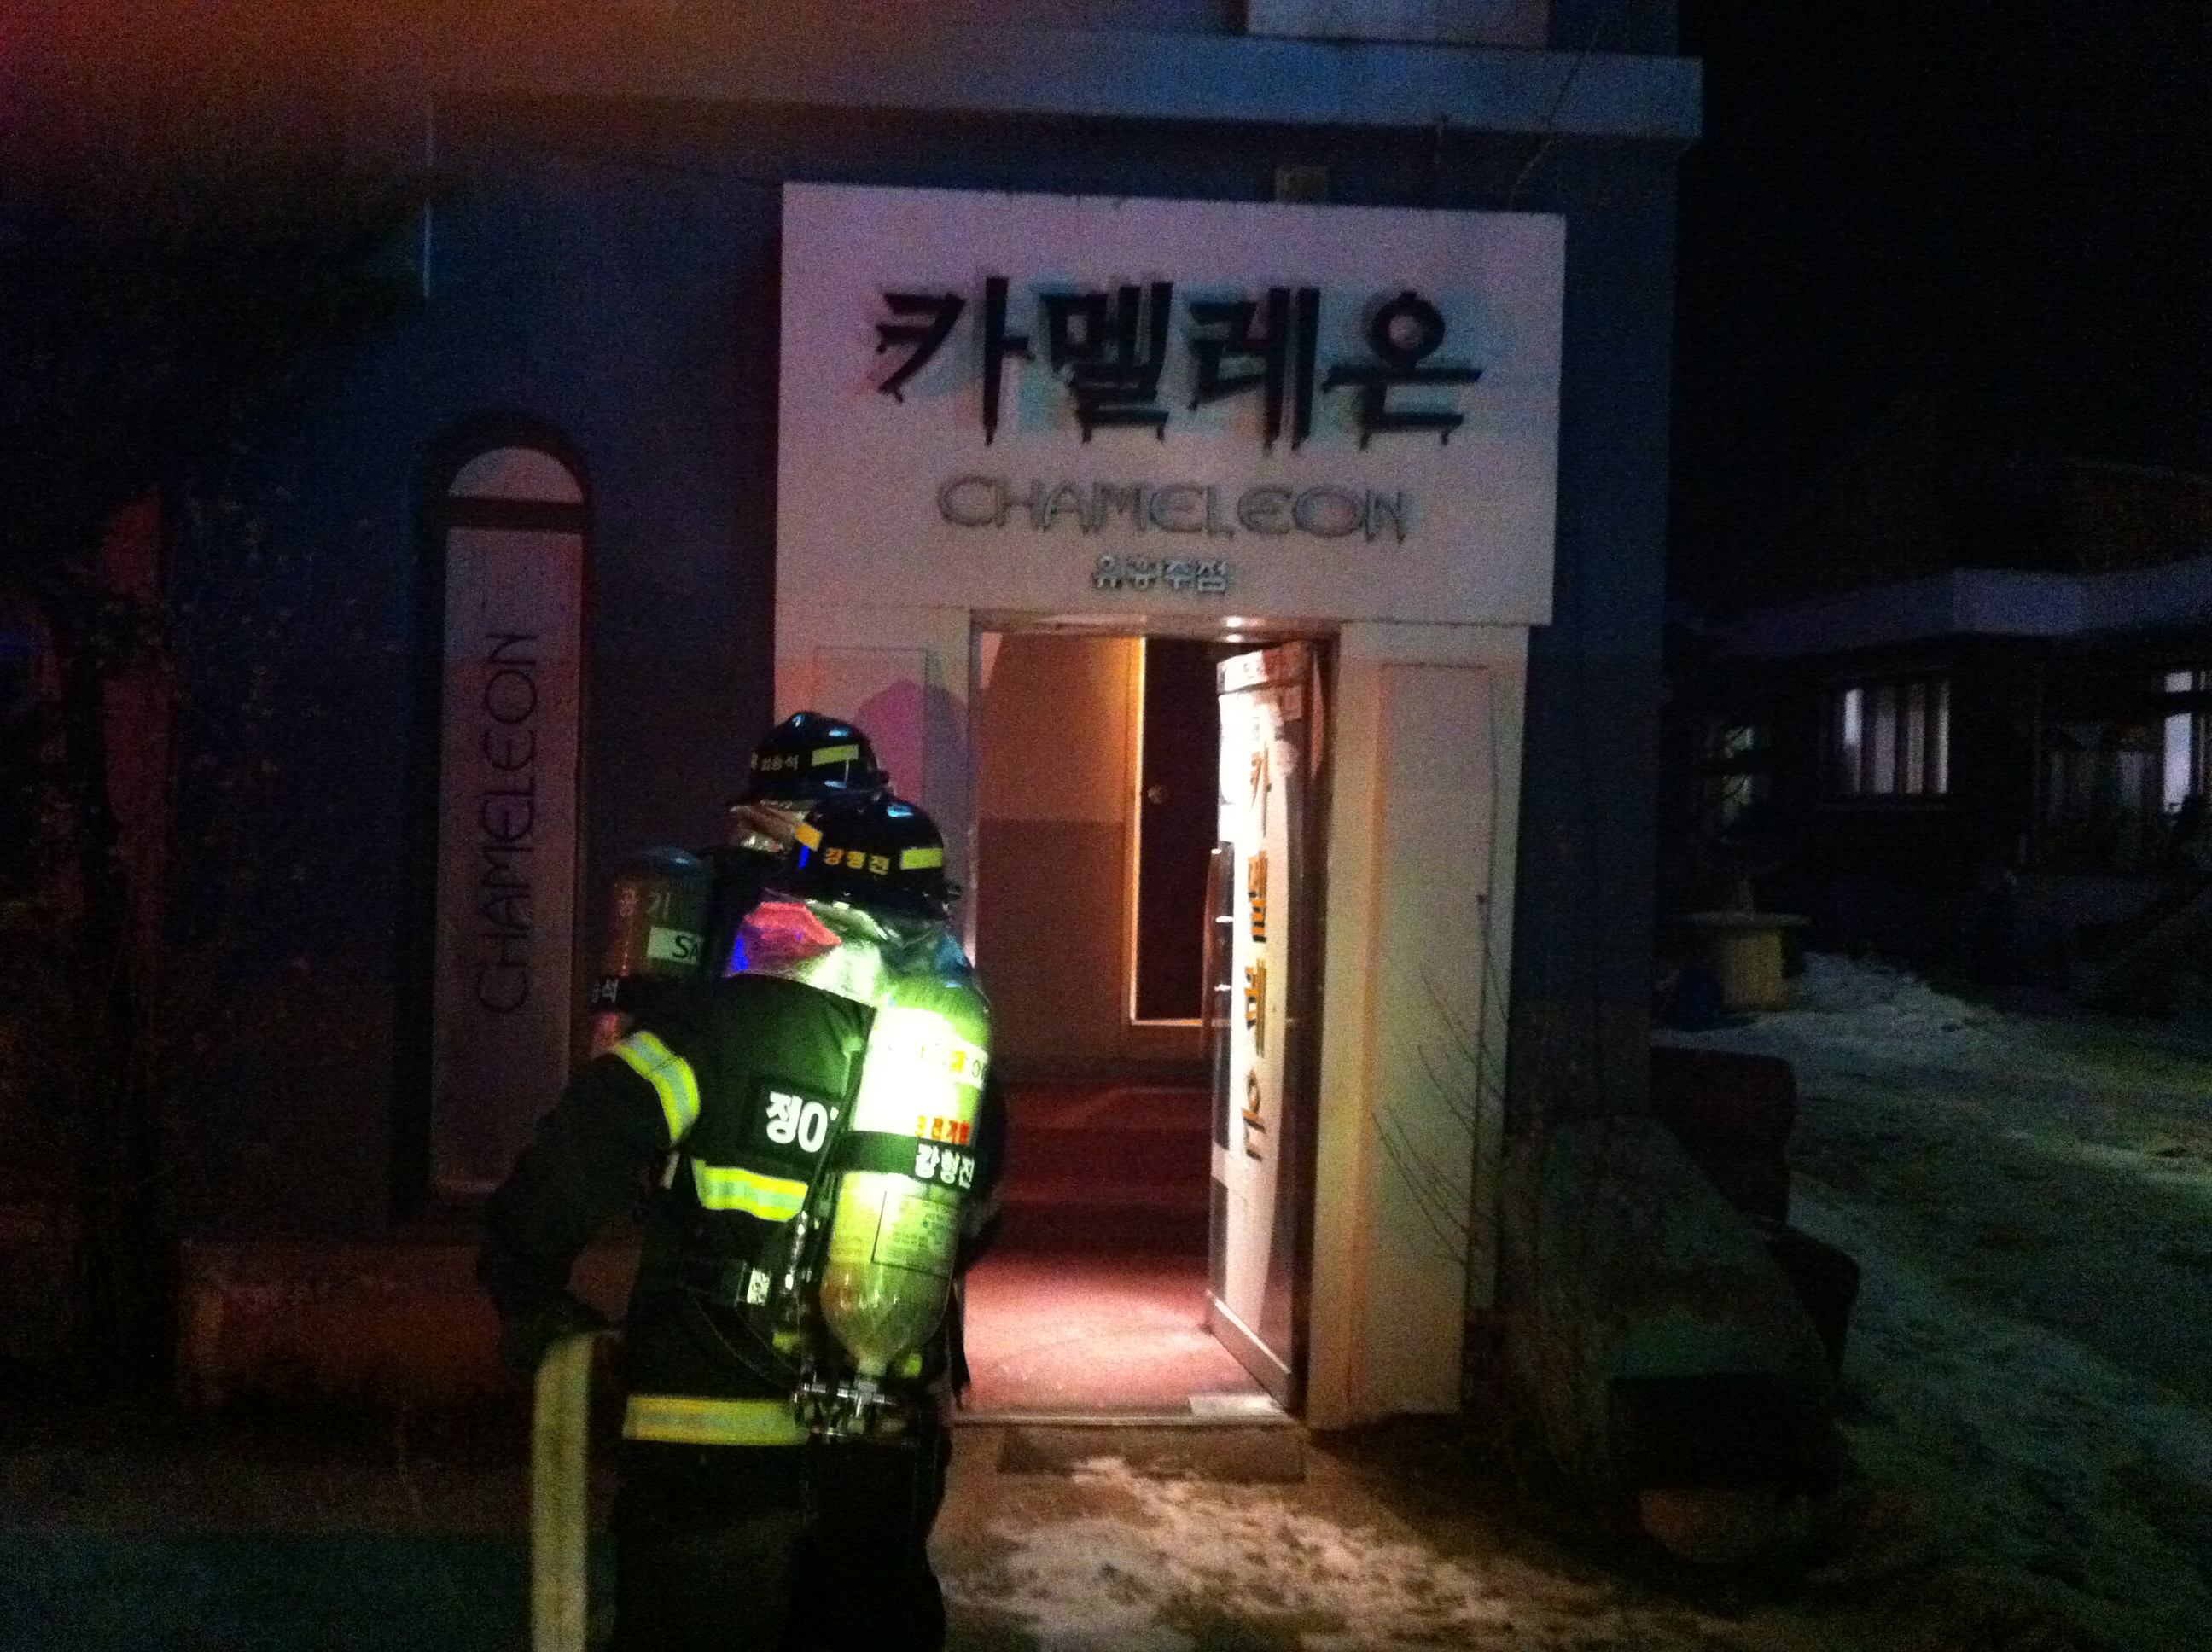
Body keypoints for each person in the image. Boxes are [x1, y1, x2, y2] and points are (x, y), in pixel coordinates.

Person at [480, 789, 1001, 1651]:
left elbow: (577, 1153)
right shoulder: (950, 1052)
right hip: (879, 1436)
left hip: (707, 1440)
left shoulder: (715, 1028)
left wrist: (526, 1293)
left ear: (796, 895)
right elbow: (974, 1222)